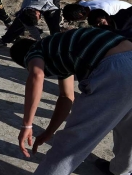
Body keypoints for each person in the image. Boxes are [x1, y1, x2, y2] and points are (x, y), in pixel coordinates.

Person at [10, 28, 132, 175]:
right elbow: (66, 97)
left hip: (116, 68)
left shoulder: (35, 50)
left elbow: (37, 74)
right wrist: (49, 132)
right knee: (127, 128)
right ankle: (121, 170)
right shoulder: (59, 50)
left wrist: (27, 125)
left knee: (70, 146)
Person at [62, 0, 131, 22]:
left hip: (128, 13)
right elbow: (79, 0)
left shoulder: (102, 12)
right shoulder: (83, 5)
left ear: (80, 15)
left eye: (76, 20)